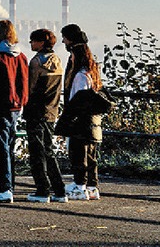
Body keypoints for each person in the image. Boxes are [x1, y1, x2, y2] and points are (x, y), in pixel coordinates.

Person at [0, 19, 28, 203]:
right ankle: (10, 185)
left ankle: (5, 188)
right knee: (9, 145)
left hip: (1, 106)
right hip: (17, 106)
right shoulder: (21, 56)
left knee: (0, 146)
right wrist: (22, 100)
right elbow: (24, 82)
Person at [23, 28, 68, 203]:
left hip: (35, 111)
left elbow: (30, 88)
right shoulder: (57, 61)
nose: (31, 44)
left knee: (36, 152)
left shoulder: (36, 63)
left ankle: (42, 189)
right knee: (49, 150)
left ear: (41, 42)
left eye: (33, 41)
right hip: (51, 111)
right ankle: (59, 189)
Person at [58, 42, 106, 201]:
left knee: (79, 155)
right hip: (93, 122)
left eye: (72, 55)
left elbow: (78, 100)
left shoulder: (80, 76)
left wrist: (68, 120)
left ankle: (80, 187)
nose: (70, 58)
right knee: (91, 156)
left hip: (80, 122)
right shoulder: (93, 74)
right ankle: (92, 187)